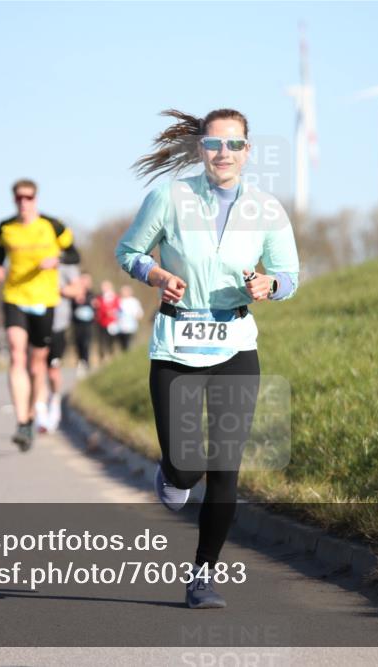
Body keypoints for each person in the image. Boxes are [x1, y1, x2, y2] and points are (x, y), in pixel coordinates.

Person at [115, 108, 299, 609]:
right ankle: (173, 473)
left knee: (225, 468)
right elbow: (129, 251)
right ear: (201, 148)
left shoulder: (266, 209)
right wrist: (155, 275)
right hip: (175, 346)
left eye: (234, 145)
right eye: (215, 144)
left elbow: (289, 274)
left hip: (235, 346)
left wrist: (269, 284)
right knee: (187, 464)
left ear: (247, 151)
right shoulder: (169, 198)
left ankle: (202, 576)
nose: (224, 154)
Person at [0, 178, 74, 451]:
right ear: (14, 199)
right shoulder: (6, 227)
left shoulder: (53, 226)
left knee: (37, 365)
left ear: (36, 199)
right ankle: (21, 421)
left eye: (28, 197)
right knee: (17, 353)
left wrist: (57, 260)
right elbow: (0, 250)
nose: (23, 202)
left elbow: (74, 254)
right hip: (15, 296)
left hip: (45, 299)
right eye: (18, 198)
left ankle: (30, 415)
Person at [43, 245, 82, 433]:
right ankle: (39, 411)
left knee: (52, 369)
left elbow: (77, 290)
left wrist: (57, 289)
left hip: (57, 323)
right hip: (34, 321)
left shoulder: (66, 265)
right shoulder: (31, 259)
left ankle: (55, 400)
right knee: (34, 368)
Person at [71, 272, 96, 377]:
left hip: (88, 323)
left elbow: (94, 305)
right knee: (78, 342)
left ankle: (86, 362)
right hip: (77, 323)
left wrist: (87, 301)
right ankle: (80, 361)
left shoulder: (91, 293)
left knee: (86, 342)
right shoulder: (75, 293)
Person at [94, 280, 121, 361]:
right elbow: (98, 309)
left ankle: (111, 355)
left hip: (112, 323)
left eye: (105, 286)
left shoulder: (115, 297)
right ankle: (102, 357)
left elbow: (118, 308)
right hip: (102, 322)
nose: (104, 288)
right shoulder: (99, 298)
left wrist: (112, 313)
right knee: (101, 341)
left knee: (111, 341)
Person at [115, 285, 144, 350]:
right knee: (122, 344)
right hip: (120, 327)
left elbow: (139, 313)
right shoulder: (118, 301)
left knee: (129, 344)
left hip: (131, 327)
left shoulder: (134, 301)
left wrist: (137, 316)